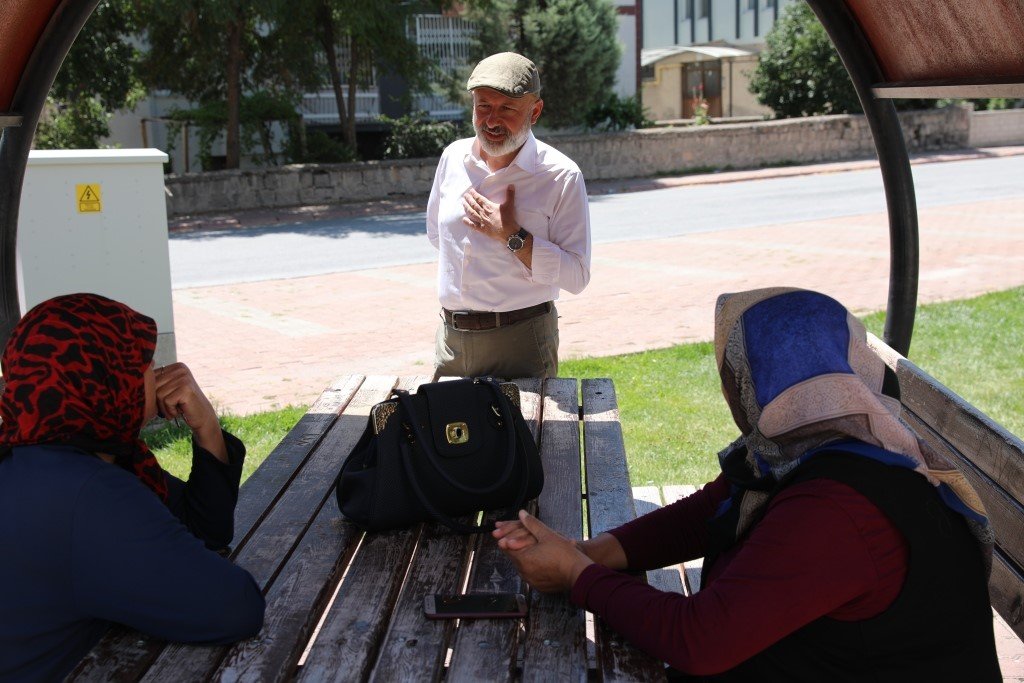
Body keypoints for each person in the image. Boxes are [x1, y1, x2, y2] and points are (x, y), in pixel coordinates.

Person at [493, 287, 1001, 680]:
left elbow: (702, 641)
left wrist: (580, 576)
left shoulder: (838, 512)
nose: (727, 389)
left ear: (761, 383)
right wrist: (591, 551)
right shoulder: (818, 444)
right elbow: (708, 509)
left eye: (733, 372)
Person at [0, 293, 265, 681]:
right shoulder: (89, 493)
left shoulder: (42, 457)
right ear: (105, 379)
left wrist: (206, 426)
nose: (156, 372)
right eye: (142, 362)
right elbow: (234, 607)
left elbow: (204, 529)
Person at [427, 51, 591, 380]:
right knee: (440, 431)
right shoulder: (453, 157)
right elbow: (436, 235)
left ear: (535, 111)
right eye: (483, 106)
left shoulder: (560, 176)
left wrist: (512, 237)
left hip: (521, 342)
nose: (491, 120)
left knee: (525, 433)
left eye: (507, 109)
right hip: (451, 341)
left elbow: (577, 276)